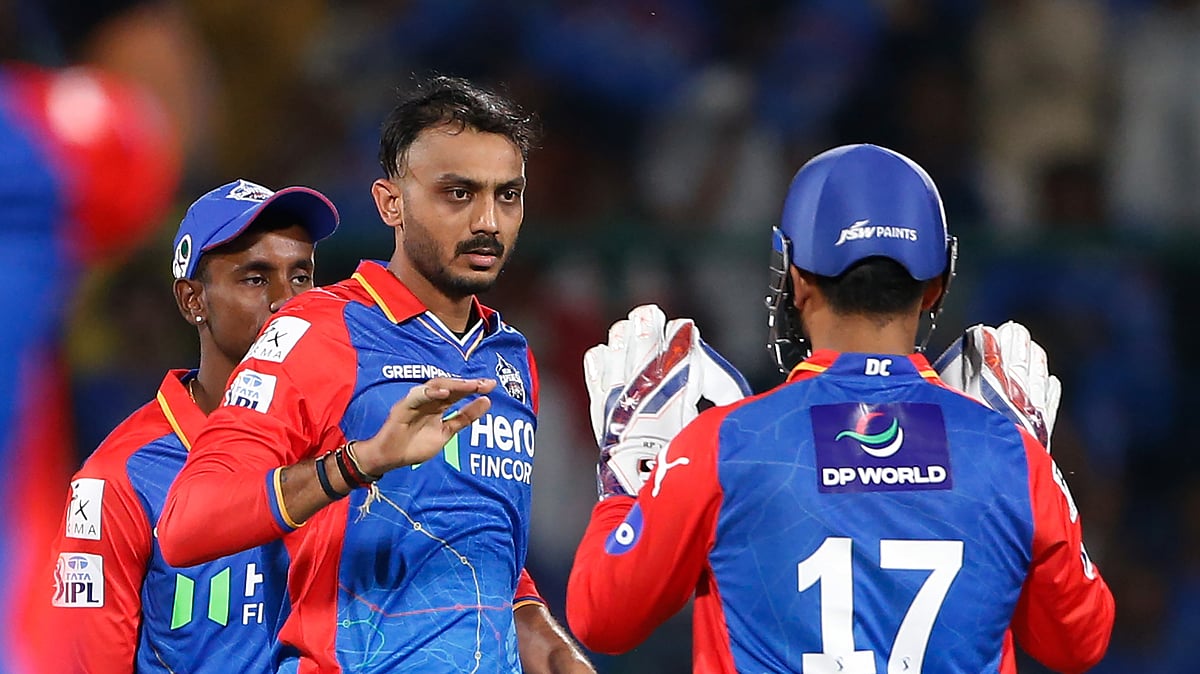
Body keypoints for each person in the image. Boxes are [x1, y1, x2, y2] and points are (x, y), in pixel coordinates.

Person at [566, 144, 1115, 673]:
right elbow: (1078, 642)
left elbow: (602, 619)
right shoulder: (1007, 454)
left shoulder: (723, 445)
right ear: (935, 286)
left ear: (797, 279)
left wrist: (632, 466)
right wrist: (1029, 469)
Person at [158, 76, 593, 673]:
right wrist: (358, 461)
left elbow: (487, 564)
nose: (488, 220)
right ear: (391, 203)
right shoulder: (318, 330)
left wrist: (558, 654)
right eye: (458, 194)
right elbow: (187, 523)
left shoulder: (509, 358)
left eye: (508, 195)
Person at [50, 179, 338, 673]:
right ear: (192, 301)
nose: (286, 302)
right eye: (255, 278)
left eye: (301, 276)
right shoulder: (122, 477)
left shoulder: (349, 445)